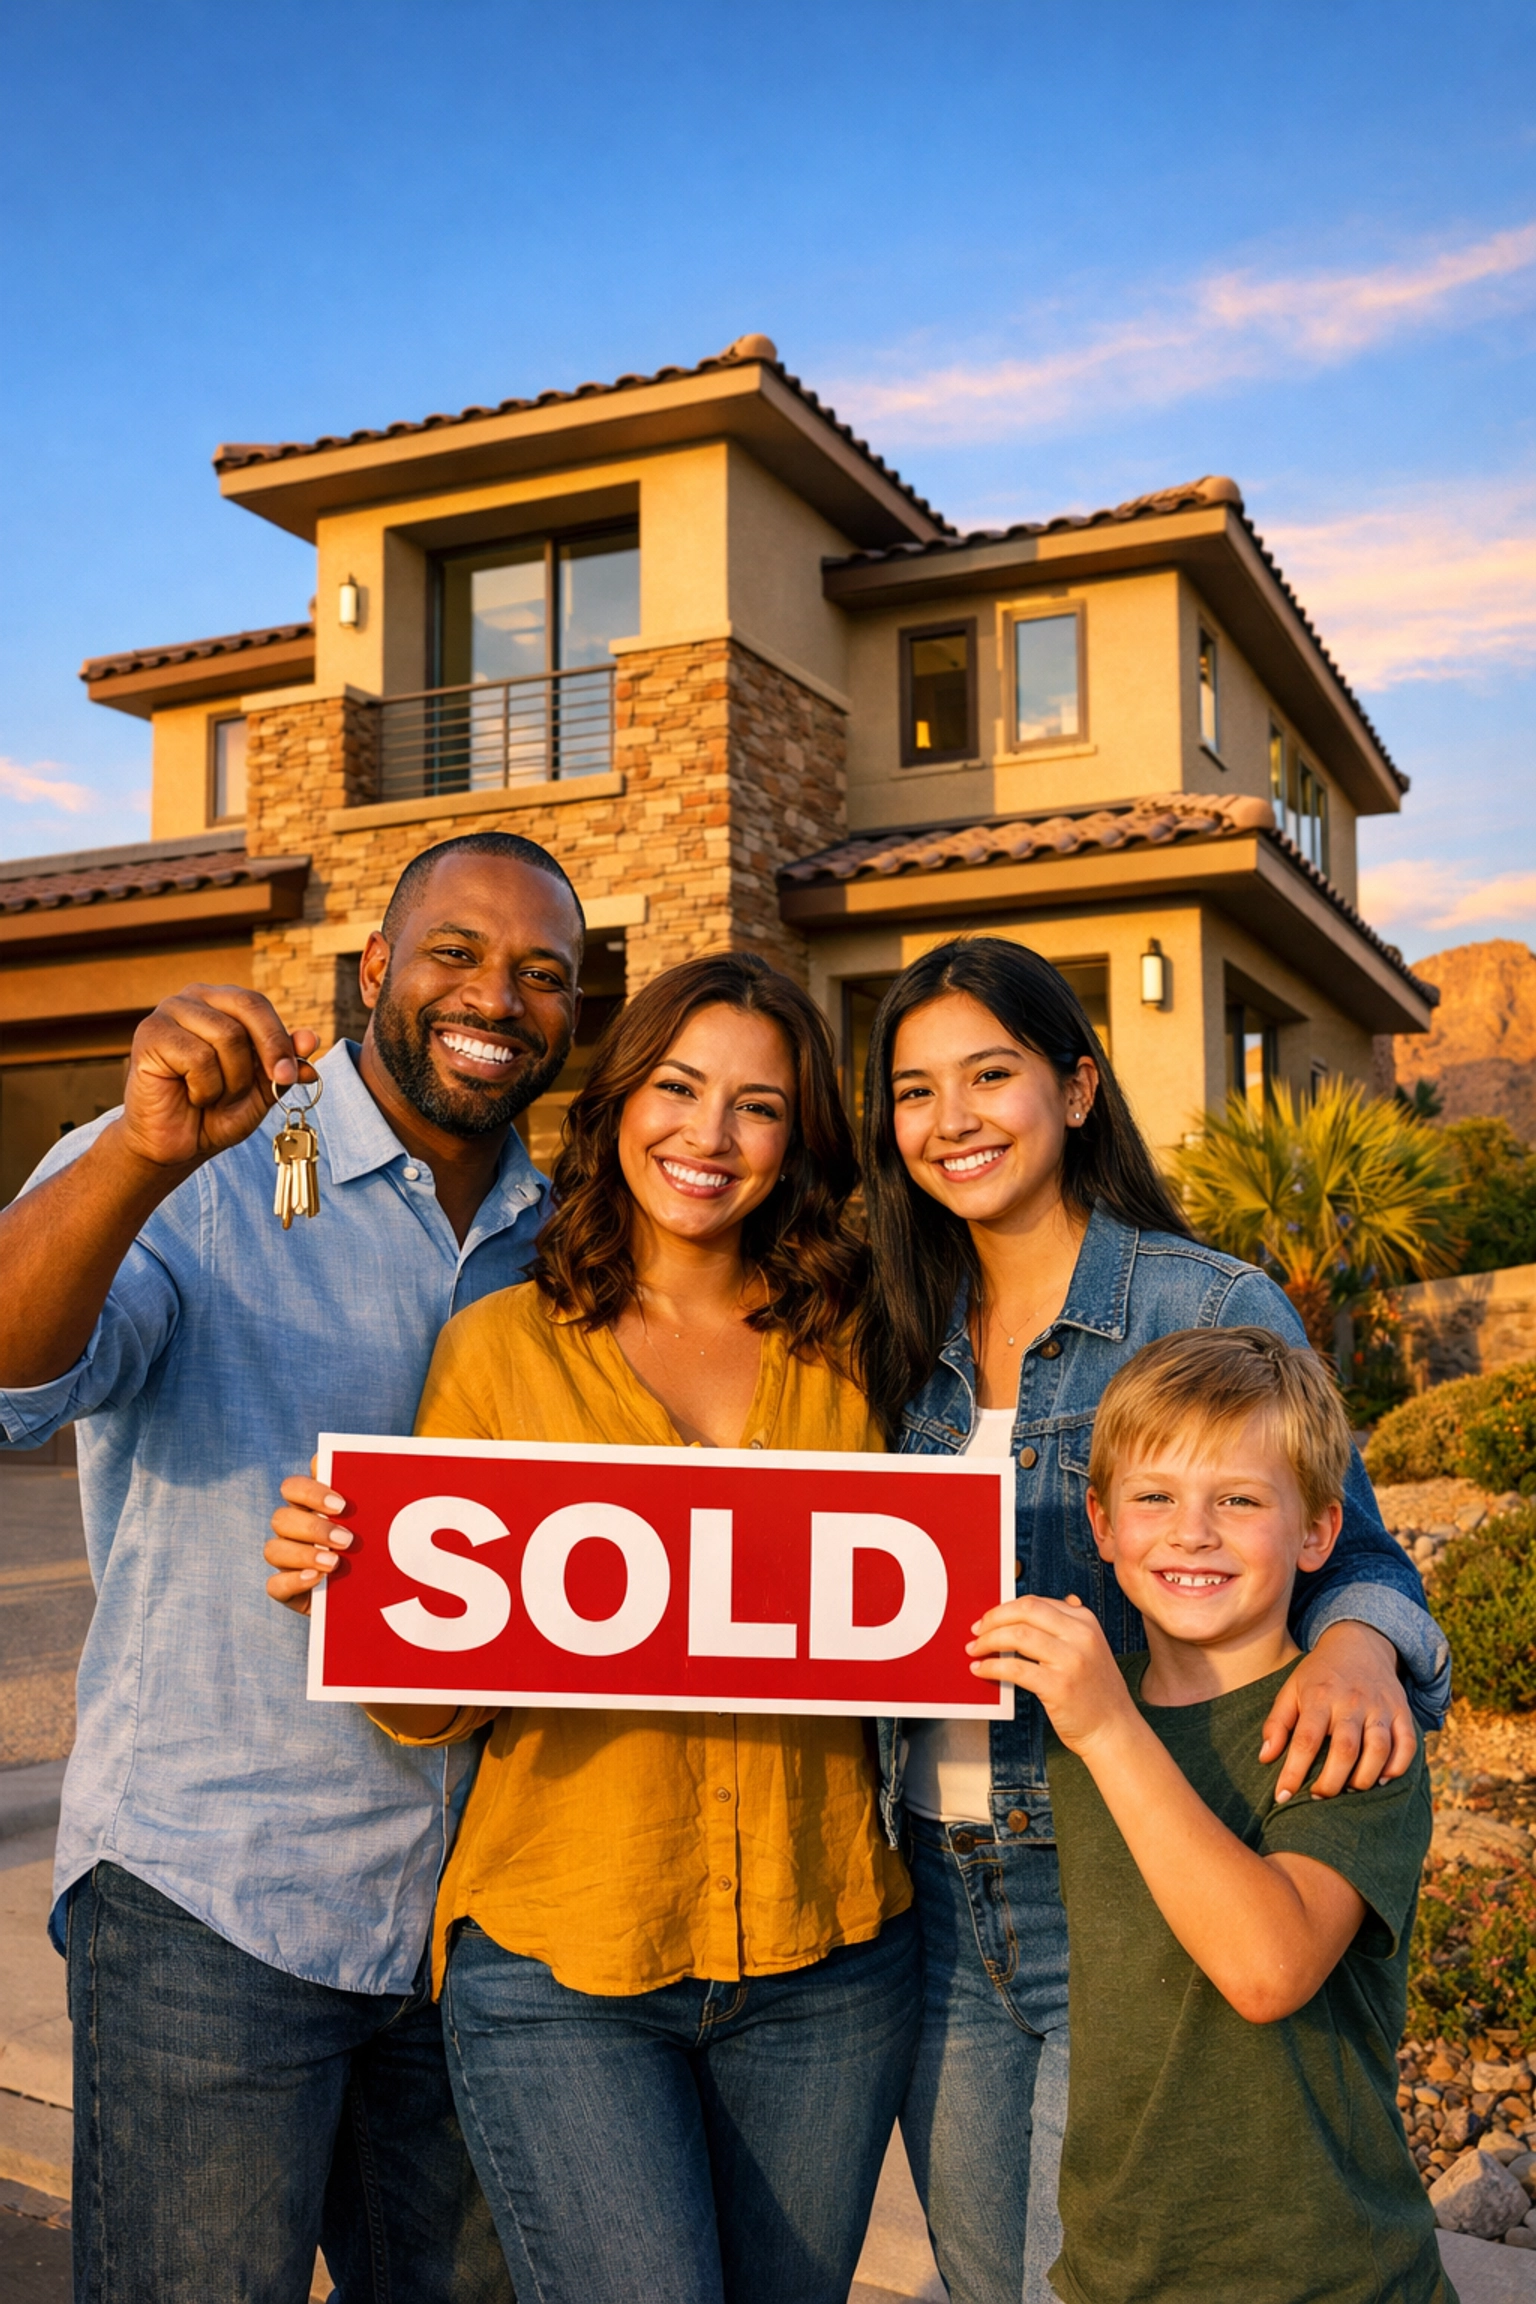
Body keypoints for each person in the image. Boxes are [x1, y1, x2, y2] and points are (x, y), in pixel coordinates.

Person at [266, 952, 920, 2304]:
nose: (708, 1137)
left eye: (758, 1106)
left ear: (797, 1138)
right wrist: (359, 1580)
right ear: (618, 1105)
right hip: (566, 1961)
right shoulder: (501, 1345)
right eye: (677, 1089)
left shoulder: (860, 1339)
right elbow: (432, 1705)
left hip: (830, 1954)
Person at [0, 827, 588, 2301]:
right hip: (220, 1898)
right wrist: (136, 1151)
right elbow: (11, 1377)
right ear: (375, 966)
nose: (498, 997)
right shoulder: (199, 1151)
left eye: (544, 975)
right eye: (456, 953)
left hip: (471, 1932)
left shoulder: (573, 1239)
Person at [854, 935, 1451, 2304]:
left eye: (991, 1074)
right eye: (914, 1090)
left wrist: (1360, 1643)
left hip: (1110, 1872)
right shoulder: (887, 1324)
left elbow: (1345, 1548)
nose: (953, 1120)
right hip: (930, 1894)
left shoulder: (1206, 1304)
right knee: (997, 2279)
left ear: (1075, 1090)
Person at [967, 1325, 1453, 2304]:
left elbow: (1267, 1969)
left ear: (1318, 1530)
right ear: (1101, 1525)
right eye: (1155, 1498)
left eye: (1238, 1499)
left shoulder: (1349, 1727)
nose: (1192, 1531)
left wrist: (1106, 1727)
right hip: (1117, 2271)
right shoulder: (1090, 1714)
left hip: (1327, 2276)